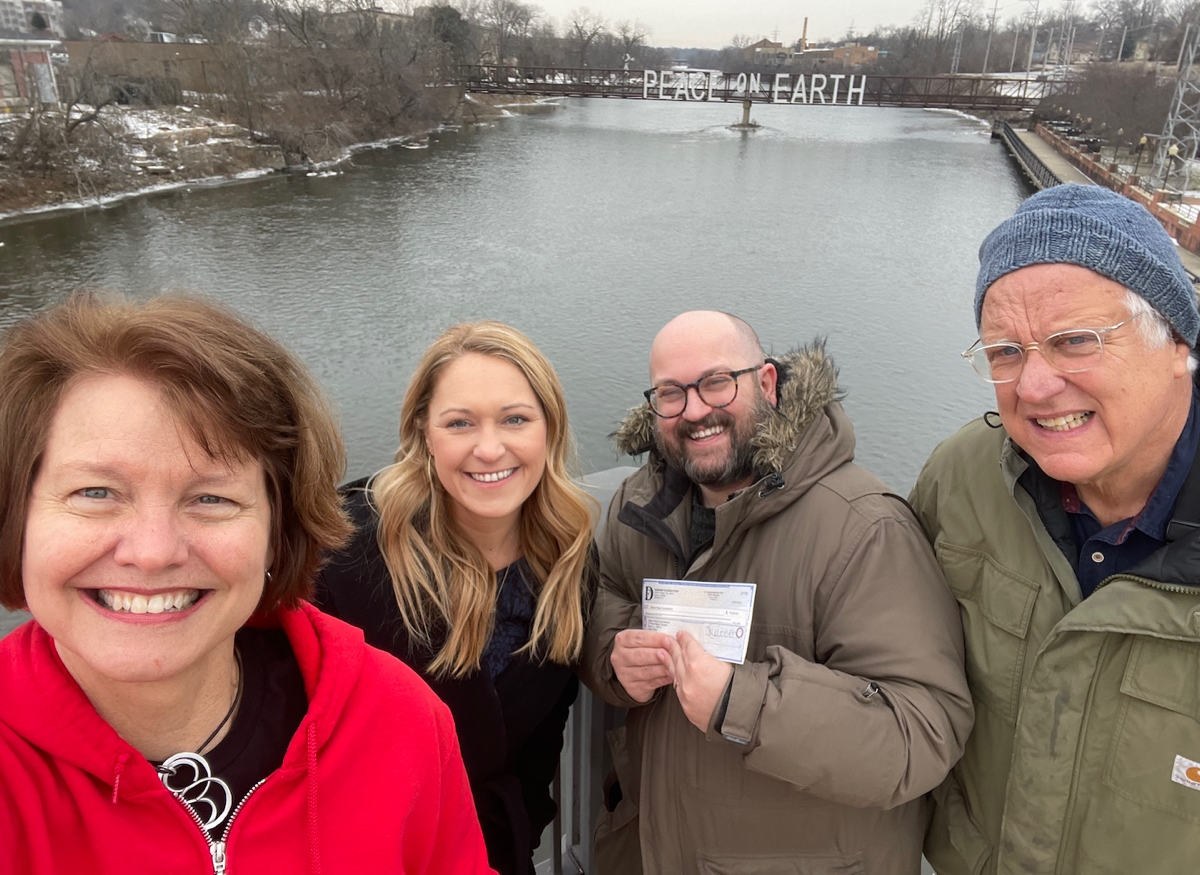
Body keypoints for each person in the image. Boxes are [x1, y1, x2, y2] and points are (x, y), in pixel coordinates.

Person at [0, 293, 493, 874]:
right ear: (17, 518)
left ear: (276, 532)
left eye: (211, 498)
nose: (153, 552)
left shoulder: (397, 721)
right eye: (96, 493)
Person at [580, 310, 974, 875]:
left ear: (766, 383)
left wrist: (741, 703)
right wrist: (614, 656)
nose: (695, 411)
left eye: (716, 382)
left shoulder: (863, 530)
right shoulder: (640, 507)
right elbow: (602, 599)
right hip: (651, 850)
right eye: (671, 393)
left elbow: (921, 732)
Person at [911, 183, 1200, 875]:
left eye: (1075, 341)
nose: (1034, 386)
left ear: (1176, 341)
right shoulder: (963, 479)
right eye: (1005, 352)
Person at [317, 321, 596, 875]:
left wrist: (523, 825)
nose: (489, 448)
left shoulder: (568, 563)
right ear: (425, 434)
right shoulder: (349, 553)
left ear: (550, 430)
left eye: (515, 419)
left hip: (489, 850)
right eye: (460, 423)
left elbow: (541, 742)